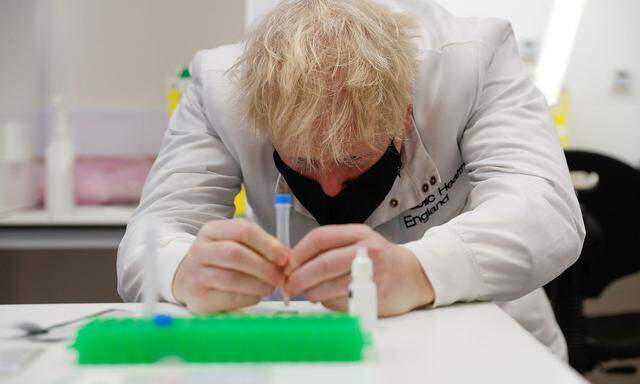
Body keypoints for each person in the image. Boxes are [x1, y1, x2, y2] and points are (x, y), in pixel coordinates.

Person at [117, 0, 585, 359]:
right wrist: (182, 270)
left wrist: (419, 271)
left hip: (487, 344)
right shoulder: (220, 86)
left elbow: (547, 212)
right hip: (310, 341)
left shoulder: (472, 60)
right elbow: (152, 234)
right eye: (301, 161)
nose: (330, 188)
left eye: (353, 157)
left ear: (405, 110)